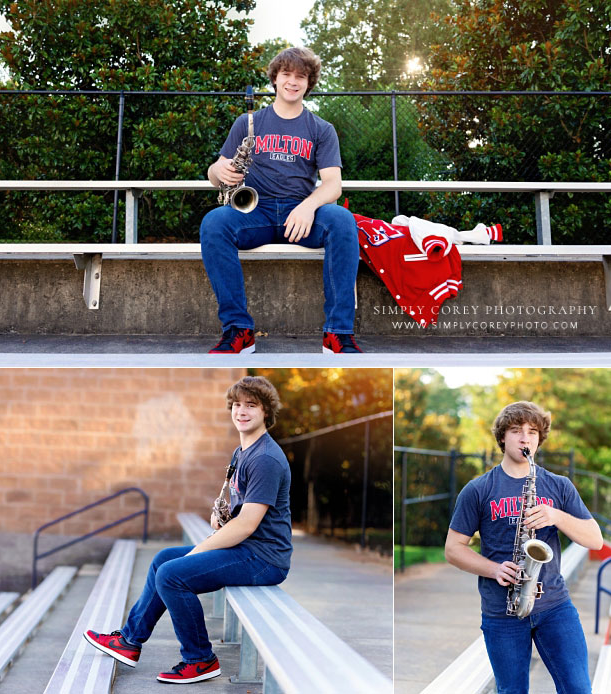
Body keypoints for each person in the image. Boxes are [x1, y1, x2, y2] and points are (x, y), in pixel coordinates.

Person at [84, 375, 292, 683]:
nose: (241, 411)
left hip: (264, 558)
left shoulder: (265, 459)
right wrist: (219, 516)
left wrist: (201, 548)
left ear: (266, 412)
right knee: (163, 559)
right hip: (245, 549)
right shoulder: (242, 452)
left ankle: (200, 659)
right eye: (236, 405)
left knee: (172, 574)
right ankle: (129, 641)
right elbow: (239, 513)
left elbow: (248, 525)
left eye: (251, 405)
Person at [201, 47, 361, 354]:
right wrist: (217, 170)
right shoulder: (247, 123)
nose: (292, 81)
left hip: (300, 216)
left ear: (308, 83)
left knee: (342, 220)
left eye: (301, 76)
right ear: (275, 78)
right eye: (286, 74)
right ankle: (238, 330)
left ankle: (338, 333)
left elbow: (333, 185)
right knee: (213, 223)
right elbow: (215, 175)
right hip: (255, 211)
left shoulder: (321, 129)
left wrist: (307, 206)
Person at [444, 401, 603, 694]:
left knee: (578, 689)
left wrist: (555, 515)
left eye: (532, 431)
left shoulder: (559, 485)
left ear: (539, 439)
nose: (524, 437)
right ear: (502, 437)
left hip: (555, 606)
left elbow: (595, 539)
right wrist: (494, 569)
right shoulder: (478, 489)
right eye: (516, 430)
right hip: (501, 611)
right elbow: (453, 549)